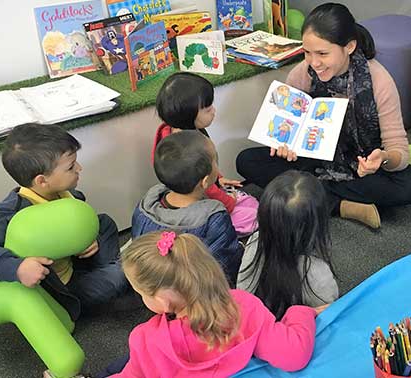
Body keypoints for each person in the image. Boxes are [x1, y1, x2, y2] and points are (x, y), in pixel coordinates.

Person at [236, 3, 411, 229]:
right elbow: (287, 126)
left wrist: (383, 158)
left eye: (323, 53)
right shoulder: (301, 73)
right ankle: (341, 204)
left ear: (349, 47)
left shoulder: (379, 80)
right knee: (247, 160)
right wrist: (284, 144)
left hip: (361, 163)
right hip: (314, 157)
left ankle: (310, 196)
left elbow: (399, 150)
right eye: (307, 52)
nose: (314, 63)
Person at [0, 123, 127, 321]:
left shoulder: (64, 193)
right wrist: (18, 268)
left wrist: (87, 241)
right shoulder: (9, 213)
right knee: (121, 275)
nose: (79, 168)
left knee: (104, 223)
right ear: (42, 181)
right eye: (71, 167)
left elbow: (71, 227)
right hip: (60, 290)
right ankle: (110, 284)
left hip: (73, 264)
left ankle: (108, 274)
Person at [101, 231, 319, 377]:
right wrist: (300, 312)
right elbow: (294, 355)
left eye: (141, 293)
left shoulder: (147, 340)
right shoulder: (244, 306)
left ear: (162, 301)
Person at [155, 72, 258, 236]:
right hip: (198, 201)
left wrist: (218, 177)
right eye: (208, 109)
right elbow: (207, 188)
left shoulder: (175, 132)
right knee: (252, 214)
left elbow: (207, 168)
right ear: (189, 115)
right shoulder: (190, 149)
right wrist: (229, 203)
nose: (214, 111)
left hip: (203, 190)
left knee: (250, 203)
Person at [132, 130, 242, 285]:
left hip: (157, 284)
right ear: (204, 182)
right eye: (215, 161)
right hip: (199, 290)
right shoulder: (213, 216)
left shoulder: (145, 206)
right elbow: (226, 261)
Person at [237, 171, 338, 319]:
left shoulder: (254, 242)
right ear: (318, 223)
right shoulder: (317, 274)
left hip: (256, 323)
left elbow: (243, 294)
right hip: (300, 335)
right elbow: (327, 314)